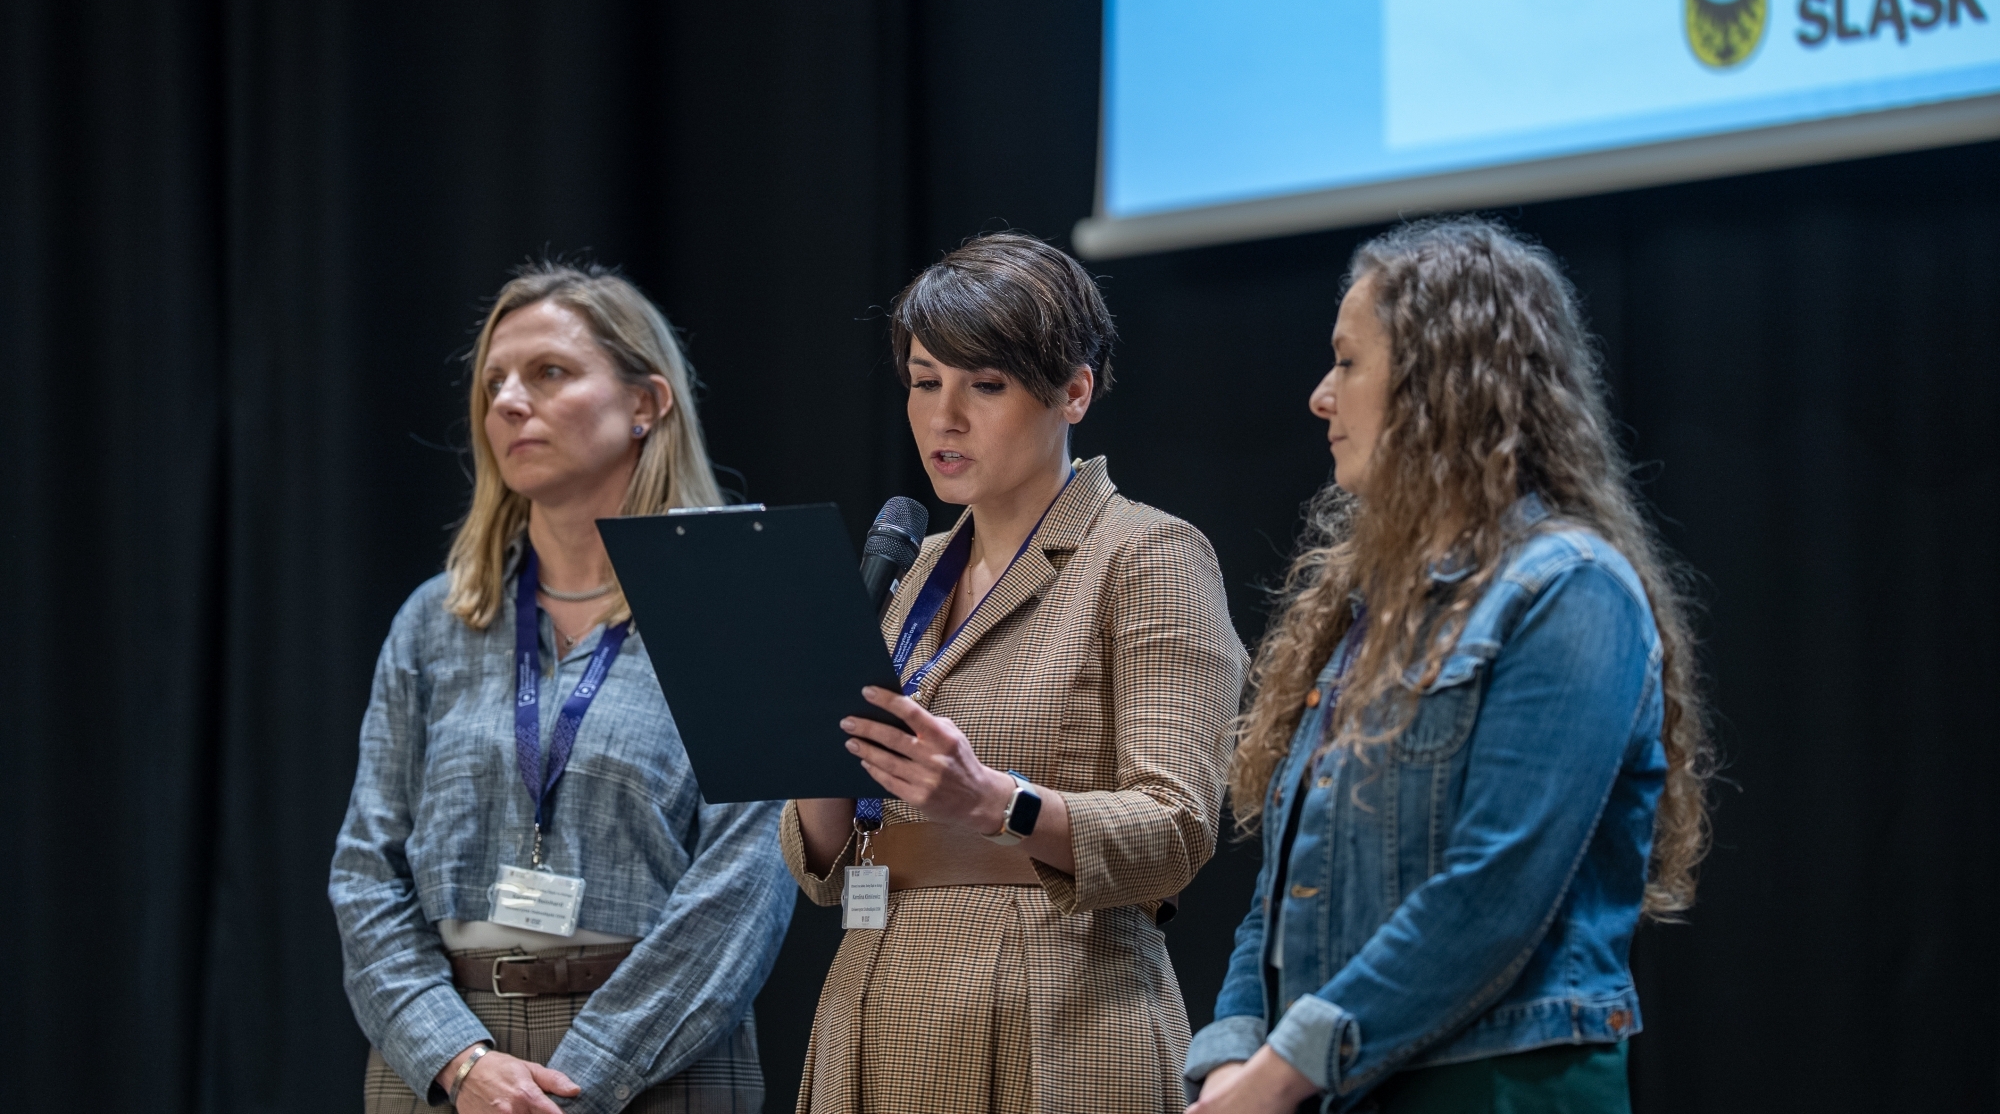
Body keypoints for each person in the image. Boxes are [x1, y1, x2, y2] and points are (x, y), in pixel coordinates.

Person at [1185, 219, 1712, 1113]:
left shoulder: (1570, 587)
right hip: (1332, 1081)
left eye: (1348, 363)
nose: (1320, 396)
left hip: (1498, 1084)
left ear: (1442, 382)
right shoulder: (1368, 613)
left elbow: (1493, 889)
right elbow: (1282, 893)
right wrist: (1232, 1053)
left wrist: (1276, 1075)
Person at [781, 232, 1249, 1113]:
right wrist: (799, 736)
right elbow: (830, 860)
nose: (944, 417)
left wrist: (996, 801)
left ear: (1075, 391)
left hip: (1057, 1003)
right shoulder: (908, 570)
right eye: (925, 381)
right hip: (873, 990)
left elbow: (1177, 828)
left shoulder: (1146, 552)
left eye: (985, 385)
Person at [329, 261, 794, 1114]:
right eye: (494, 383)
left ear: (646, 403)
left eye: (548, 372)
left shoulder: (732, 611)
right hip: (444, 1067)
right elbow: (366, 872)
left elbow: (745, 886)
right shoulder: (437, 621)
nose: (509, 401)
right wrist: (460, 1060)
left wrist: (579, 1085)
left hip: (659, 1063)